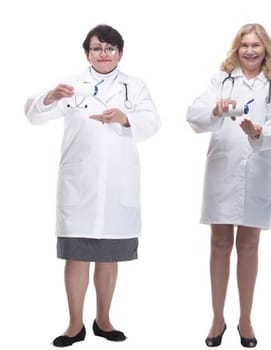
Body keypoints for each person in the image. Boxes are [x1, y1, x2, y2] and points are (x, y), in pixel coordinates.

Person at [24, 24, 161, 348]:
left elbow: (153, 121)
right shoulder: (70, 85)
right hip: (80, 185)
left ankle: (103, 319)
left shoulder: (135, 86)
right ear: (87, 52)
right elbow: (33, 114)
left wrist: (124, 118)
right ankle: (74, 324)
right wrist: (50, 96)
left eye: (110, 48)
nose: (104, 54)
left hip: (116, 187)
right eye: (97, 48)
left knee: (109, 256)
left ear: (120, 53)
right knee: (77, 256)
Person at [185, 23, 271, 348]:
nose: (249, 51)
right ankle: (218, 317)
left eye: (256, 45)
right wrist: (214, 109)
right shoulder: (221, 80)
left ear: (265, 50)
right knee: (219, 244)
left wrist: (259, 132)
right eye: (244, 45)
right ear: (236, 48)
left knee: (248, 246)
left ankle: (245, 318)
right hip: (222, 169)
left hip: (257, 171)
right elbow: (193, 115)